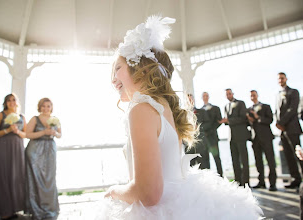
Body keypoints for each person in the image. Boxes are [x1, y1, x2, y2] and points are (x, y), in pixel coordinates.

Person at [95, 16, 262, 219]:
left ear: (142, 69)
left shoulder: (140, 109)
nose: (112, 78)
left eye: (118, 68)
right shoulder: (163, 107)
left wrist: (113, 191)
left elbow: (148, 194)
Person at [0, 94, 26, 220]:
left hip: (17, 150)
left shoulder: (22, 117)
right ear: (5, 103)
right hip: (2, 150)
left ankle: (14, 208)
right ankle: (4, 211)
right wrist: (7, 131)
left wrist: (17, 132)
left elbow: (25, 134)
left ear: (17, 102)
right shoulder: (1, 115)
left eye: (13, 100)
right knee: (2, 177)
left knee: (15, 177)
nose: (11, 102)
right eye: (8, 100)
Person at [25, 98, 61, 220]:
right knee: (36, 179)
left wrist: (54, 133)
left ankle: (50, 209)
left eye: (48, 106)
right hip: (35, 150)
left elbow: (60, 134)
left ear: (51, 107)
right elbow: (27, 134)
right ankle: (37, 209)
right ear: (39, 107)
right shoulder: (35, 119)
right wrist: (43, 132)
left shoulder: (55, 119)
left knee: (50, 179)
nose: (46, 108)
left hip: (50, 149)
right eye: (43, 106)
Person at [275, 72, 303, 189]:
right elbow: (277, 111)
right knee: (288, 156)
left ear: (286, 78)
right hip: (282, 131)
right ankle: (296, 179)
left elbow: (292, 109)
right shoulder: (278, 94)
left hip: (292, 128)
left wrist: (281, 123)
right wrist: (278, 124)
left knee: (299, 155)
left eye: (282, 78)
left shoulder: (293, 92)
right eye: (279, 79)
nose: (280, 80)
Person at [219, 89, 250, 186]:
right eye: (226, 94)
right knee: (235, 160)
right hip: (231, 137)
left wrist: (229, 120)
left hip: (241, 135)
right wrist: (225, 121)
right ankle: (238, 182)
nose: (228, 95)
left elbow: (243, 118)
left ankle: (246, 182)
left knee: (244, 160)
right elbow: (228, 122)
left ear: (233, 94)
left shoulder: (240, 103)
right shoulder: (225, 106)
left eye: (229, 93)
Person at [247, 90, 277, 191]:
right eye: (251, 96)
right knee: (258, 161)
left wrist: (258, 117)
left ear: (257, 96)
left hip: (266, 137)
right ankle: (261, 182)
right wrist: (250, 120)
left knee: (270, 160)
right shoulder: (248, 109)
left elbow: (270, 120)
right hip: (255, 139)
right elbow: (249, 124)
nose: (253, 97)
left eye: (254, 95)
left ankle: (272, 183)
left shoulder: (266, 106)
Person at [186, 94, 211, 169]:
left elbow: (208, 124)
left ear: (193, 100)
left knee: (204, 167)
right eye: (188, 100)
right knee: (191, 169)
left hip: (201, 144)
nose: (190, 101)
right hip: (189, 146)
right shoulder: (183, 114)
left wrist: (198, 127)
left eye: (191, 99)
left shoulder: (202, 112)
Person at [201, 92, 223, 176]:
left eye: (206, 96)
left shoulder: (216, 108)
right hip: (204, 139)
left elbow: (219, 121)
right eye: (204, 96)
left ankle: (220, 176)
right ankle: (209, 178)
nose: (205, 97)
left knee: (216, 157)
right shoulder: (200, 110)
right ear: (202, 98)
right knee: (205, 159)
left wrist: (210, 130)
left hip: (213, 137)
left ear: (209, 97)